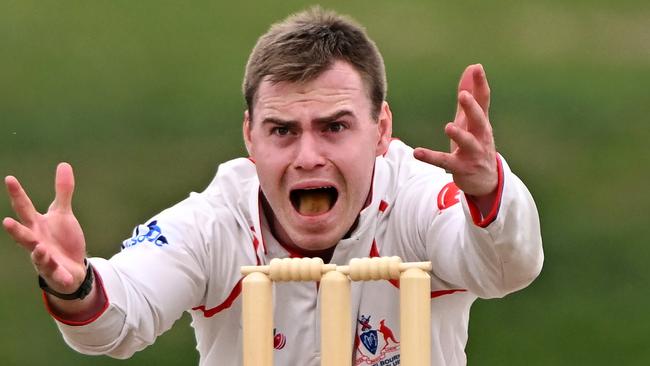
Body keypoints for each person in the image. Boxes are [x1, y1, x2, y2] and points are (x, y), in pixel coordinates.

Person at [3, 7, 543, 366]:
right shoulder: (216, 220)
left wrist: (490, 192)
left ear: (381, 130)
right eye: (282, 131)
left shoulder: (419, 199)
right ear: (250, 138)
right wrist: (75, 286)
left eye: (334, 126)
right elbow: (116, 323)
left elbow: (506, 268)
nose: (308, 157)